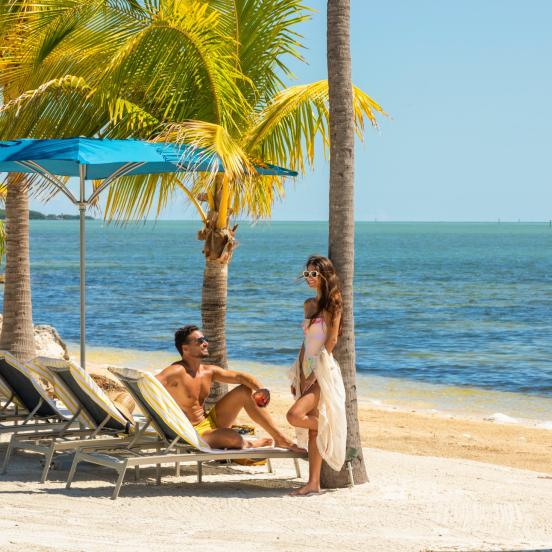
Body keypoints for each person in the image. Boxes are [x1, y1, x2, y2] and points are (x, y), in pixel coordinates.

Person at [156, 325, 302, 451]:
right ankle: (251, 444)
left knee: (245, 391)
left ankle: (280, 438)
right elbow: (148, 384)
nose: (206, 343)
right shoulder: (176, 371)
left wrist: (260, 389)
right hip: (192, 432)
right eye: (200, 341)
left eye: (205, 339)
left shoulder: (208, 371)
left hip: (209, 421)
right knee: (233, 437)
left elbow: (240, 377)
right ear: (185, 348)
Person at [286, 255, 347, 496]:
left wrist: (316, 373)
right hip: (305, 368)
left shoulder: (334, 303)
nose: (309, 278)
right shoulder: (310, 305)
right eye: (307, 274)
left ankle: (329, 427)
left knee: (294, 416)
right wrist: (298, 374)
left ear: (324, 275)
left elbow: (331, 340)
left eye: (314, 274)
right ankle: (313, 483)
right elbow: (306, 342)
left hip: (323, 370)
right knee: (311, 430)